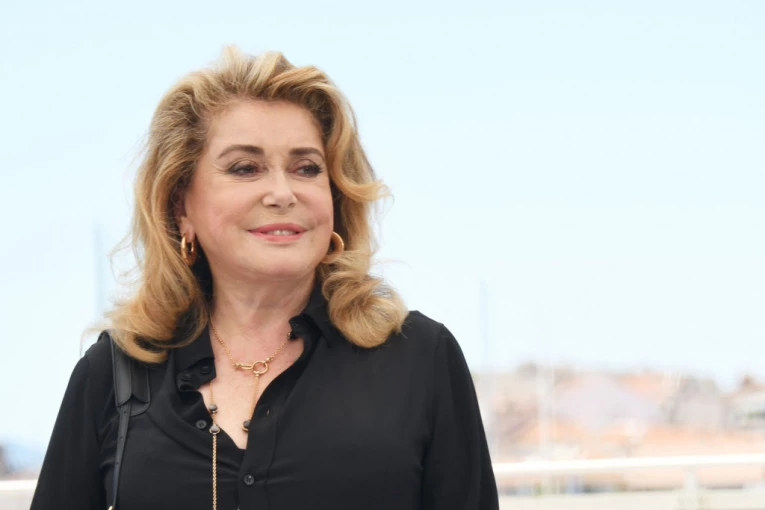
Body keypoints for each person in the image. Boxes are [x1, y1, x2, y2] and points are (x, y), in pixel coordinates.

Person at [31, 46, 499, 510]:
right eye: (245, 168)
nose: (282, 192)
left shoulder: (421, 360)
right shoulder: (115, 371)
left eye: (307, 168)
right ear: (180, 206)